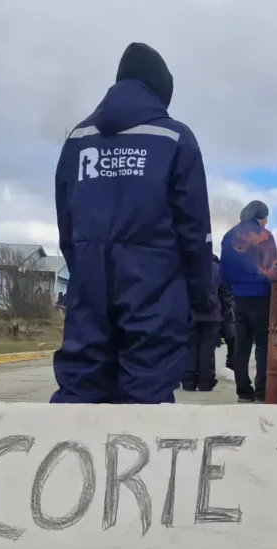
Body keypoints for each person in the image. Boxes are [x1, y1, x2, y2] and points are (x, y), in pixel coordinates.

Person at [51, 42, 213, 405]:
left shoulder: (78, 139)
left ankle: (66, 457)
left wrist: (85, 270)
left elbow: (66, 222)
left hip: (90, 284)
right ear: (161, 92)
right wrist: (201, 297)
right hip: (153, 286)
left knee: (80, 381)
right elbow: (195, 232)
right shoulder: (174, 138)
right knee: (147, 390)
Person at [220, 200, 277, 403]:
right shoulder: (265, 236)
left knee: (242, 344)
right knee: (263, 344)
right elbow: (272, 266)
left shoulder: (229, 236)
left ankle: (243, 391)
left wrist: (232, 288)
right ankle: (262, 391)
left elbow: (223, 269)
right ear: (260, 217)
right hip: (261, 295)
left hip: (239, 297)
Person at [182, 255, 226, 392]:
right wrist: (224, 313)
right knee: (207, 349)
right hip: (213, 315)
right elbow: (225, 293)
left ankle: (188, 381)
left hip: (191, 314)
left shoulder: (188, 269)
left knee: (190, 347)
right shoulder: (218, 270)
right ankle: (206, 381)